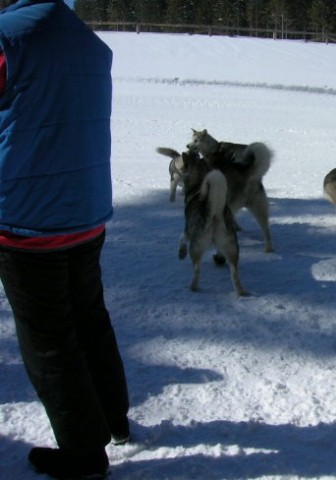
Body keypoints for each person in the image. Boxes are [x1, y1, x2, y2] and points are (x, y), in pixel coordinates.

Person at [0, 1, 130, 479]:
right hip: (86, 208)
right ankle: (114, 418)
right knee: (89, 317)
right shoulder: (90, 44)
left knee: (49, 338)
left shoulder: (6, 38)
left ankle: (82, 452)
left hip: (25, 217)